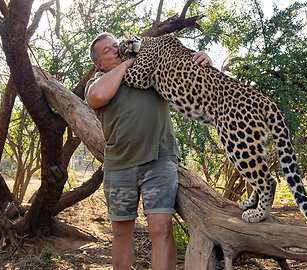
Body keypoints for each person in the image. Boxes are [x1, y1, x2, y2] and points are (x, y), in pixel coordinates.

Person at [85, 32, 213, 270]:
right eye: (107, 51)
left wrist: (203, 61)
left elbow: (188, 78)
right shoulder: (97, 84)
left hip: (159, 159)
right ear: (98, 64)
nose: (115, 49)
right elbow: (99, 97)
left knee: (161, 229)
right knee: (122, 232)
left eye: (116, 45)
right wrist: (126, 63)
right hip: (120, 165)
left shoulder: (153, 69)